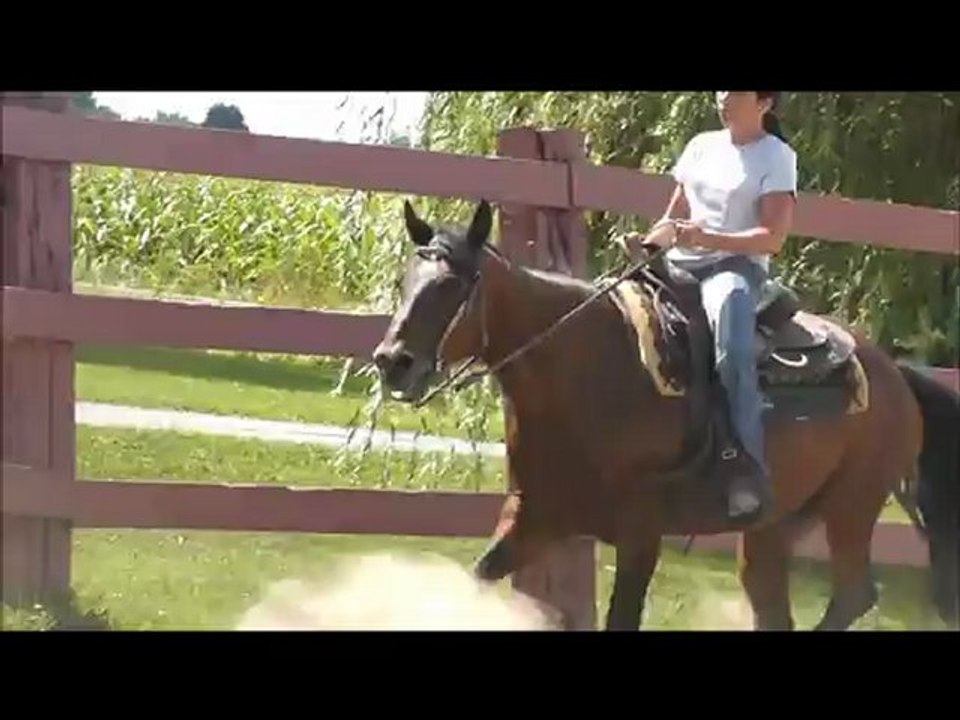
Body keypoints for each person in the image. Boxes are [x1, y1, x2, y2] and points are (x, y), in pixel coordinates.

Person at [631, 91, 798, 523]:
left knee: (732, 345)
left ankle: (747, 468)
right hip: (677, 263)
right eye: (720, 91)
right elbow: (673, 217)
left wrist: (706, 239)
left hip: (733, 269)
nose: (722, 98)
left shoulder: (776, 157)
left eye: (735, 93)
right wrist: (650, 243)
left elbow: (772, 239)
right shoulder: (700, 146)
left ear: (763, 102)